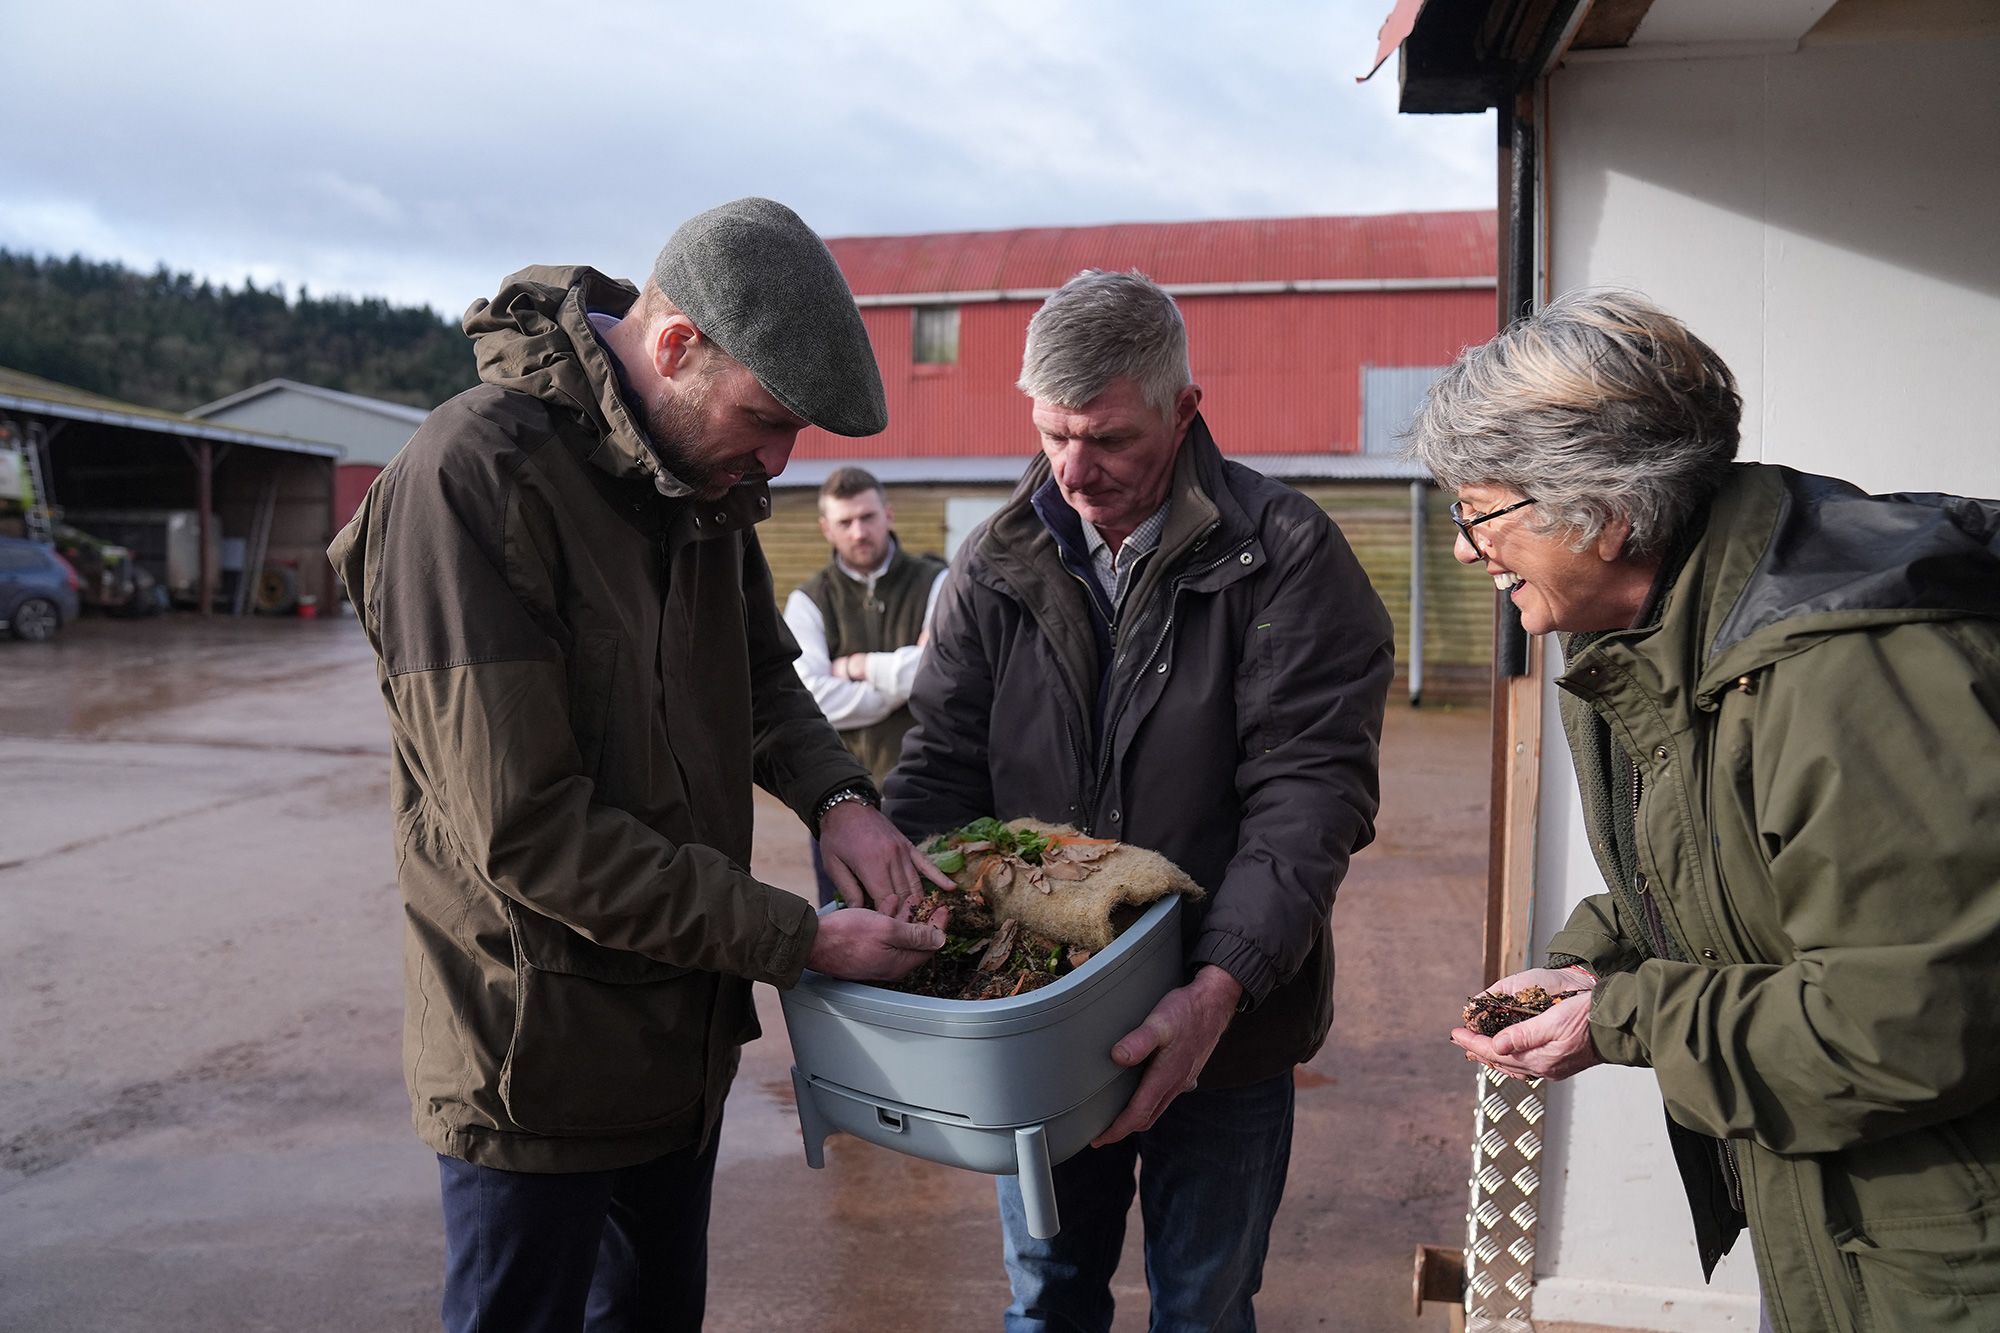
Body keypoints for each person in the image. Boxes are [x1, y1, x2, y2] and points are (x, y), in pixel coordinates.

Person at [327, 197, 953, 1333]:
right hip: (537, 1066)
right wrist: (797, 938)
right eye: (765, 419)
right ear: (674, 348)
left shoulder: (700, 484)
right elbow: (529, 829)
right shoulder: (472, 483)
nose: (778, 460)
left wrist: (844, 800)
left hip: (675, 1048)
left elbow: (764, 680)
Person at [1419, 289, 2000, 1333]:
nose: (1464, 547)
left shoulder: (1845, 671)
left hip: (1948, 1260)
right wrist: (1593, 961)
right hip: (1848, 1227)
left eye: (1478, 510)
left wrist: (1620, 1016)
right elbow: (1735, 872)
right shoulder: (1669, 635)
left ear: (1597, 509)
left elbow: (1900, 1026)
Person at [885, 269, 1394, 1332]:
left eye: (1108, 439)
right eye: (1053, 433)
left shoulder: (1285, 555)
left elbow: (1306, 797)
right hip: (1039, 1026)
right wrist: (902, 912)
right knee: (1047, 1297)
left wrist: (1217, 988)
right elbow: (936, 769)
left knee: (1202, 1307)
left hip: (1228, 1022)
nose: (1073, 471)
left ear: (1183, 408)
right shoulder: (995, 562)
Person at [784, 467, 948, 904]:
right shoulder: (809, 602)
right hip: (843, 801)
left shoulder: (938, 582)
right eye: (845, 522)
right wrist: (904, 679)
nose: (859, 532)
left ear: (888, 514)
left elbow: (942, 674)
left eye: (868, 517)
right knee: (851, 919)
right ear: (826, 528)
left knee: (939, 922)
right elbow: (812, 699)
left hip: (932, 791)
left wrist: (856, 666)